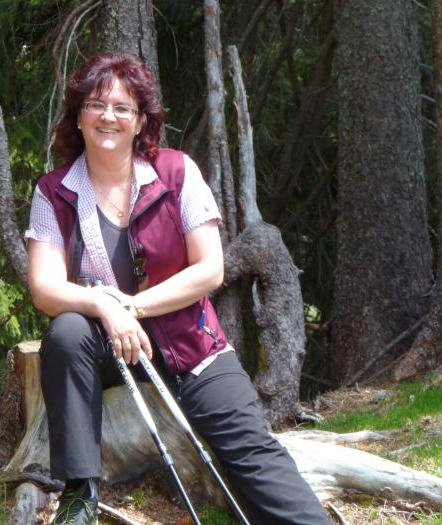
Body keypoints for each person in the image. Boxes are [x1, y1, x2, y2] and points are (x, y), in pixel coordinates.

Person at [25, 53, 332, 525]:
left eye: (122, 107)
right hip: (109, 349)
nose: (108, 116)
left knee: (251, 449)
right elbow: (45, 287)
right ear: (78, 116)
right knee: (66, 333)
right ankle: (80, 494)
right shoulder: (53, 191)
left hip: (192, 346)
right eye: (96, 104)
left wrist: (132, 306)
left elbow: (210, 270)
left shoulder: (177, 172)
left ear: (140, 120)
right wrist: (105, 308)